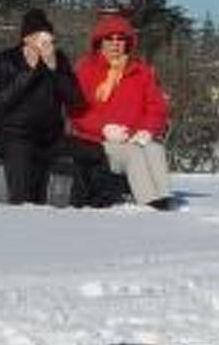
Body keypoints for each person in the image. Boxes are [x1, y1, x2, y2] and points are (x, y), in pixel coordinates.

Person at [68, 12, 178, 210]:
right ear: (100, 42)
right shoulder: (86, 70)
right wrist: (104, 128)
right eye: (109, 39)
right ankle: (150, 203)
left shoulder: (141, 71)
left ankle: (164, 200)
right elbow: (76, 111)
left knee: (155, 149)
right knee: (133, 154)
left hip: (134, 138)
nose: (115, 43)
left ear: (128, 43)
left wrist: (147, 131)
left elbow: (157, 108)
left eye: (121, 39)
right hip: (97, 143)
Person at [0, 8, 85, 205]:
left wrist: (55, 70)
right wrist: (29, 71)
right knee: (23, 195)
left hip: (49, 137)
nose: (42, 42)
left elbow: (75, 100)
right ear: (26, 38)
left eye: (46, 36)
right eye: (36, 36)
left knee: (93, 154)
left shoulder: (59, 60)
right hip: (14, 135)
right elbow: (4, 100)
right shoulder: (5, 59)